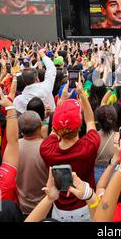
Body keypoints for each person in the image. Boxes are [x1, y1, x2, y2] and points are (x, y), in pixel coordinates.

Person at [40, 81, 100, 222]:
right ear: (80, 125)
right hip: (86, 206)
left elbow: (55, 128)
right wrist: (82, 94)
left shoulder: (46, 148)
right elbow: (91, 120)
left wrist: (62, 102)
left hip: (58, 210)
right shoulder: (89, 145)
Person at [16, 111, 49, 215]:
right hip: (44, 207)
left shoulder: (13, 148)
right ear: (40, 124)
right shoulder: (47, 149)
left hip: (20, 206)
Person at [13, 48, 57, 114]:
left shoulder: (18, 100)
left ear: (24, 81)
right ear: (37, 79)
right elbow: (51, 69)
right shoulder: (46, 87)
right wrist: (42, 55)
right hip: (51, 121)